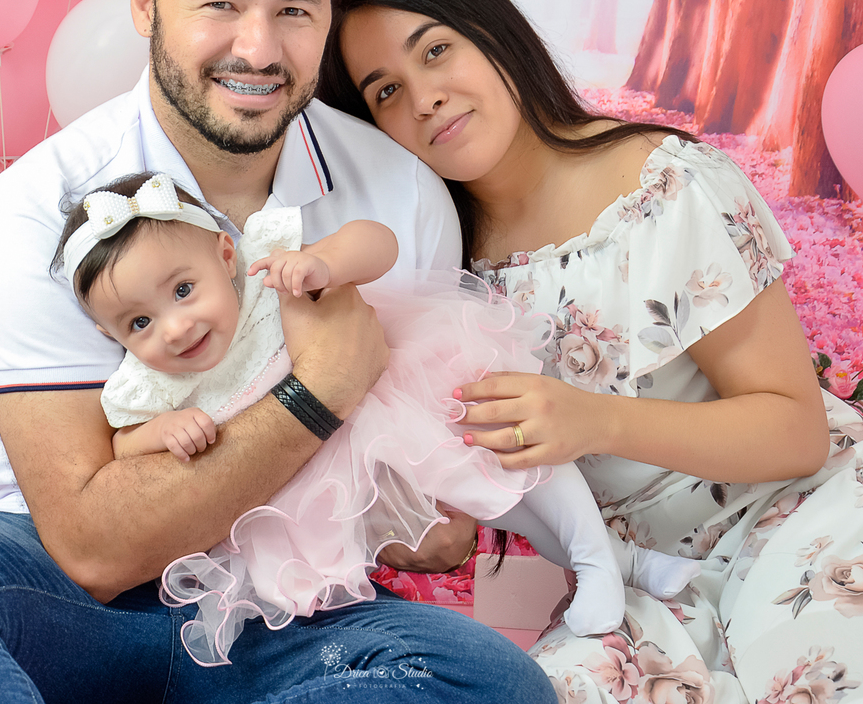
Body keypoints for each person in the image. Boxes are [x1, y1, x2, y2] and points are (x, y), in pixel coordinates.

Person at [0, 0, 559, 703]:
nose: (260, 48)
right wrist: (317, 394)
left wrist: (431, 512)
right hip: (68, 608)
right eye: (220, 5)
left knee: (492, 680)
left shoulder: (402, 194)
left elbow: (421, 471)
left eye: (295, 11)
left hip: (291, 618)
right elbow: (94, 546)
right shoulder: (36, 206)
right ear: (144, 6)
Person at [318, 0, 863, 703]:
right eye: (386, 92)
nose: (424, 98)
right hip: (635, 581)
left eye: (436, 51)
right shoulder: (434, 262)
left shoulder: (666, 187)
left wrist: (592, 419)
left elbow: (794, 432)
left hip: (798, 514)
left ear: (494, 34)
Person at [55, 171, 702, 665]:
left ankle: (593, 561)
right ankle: (626, 563)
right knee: (500, 500)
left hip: (400, 386)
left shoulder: (264, 269)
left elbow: (378, 243)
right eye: (138, 323)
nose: (174, 326)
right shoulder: (149, 381)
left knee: (512, 450)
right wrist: (158, 433)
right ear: (108, 333)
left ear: (225, 255)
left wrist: (325, 262)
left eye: (183, 289)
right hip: (337, 455)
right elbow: (120, 443)